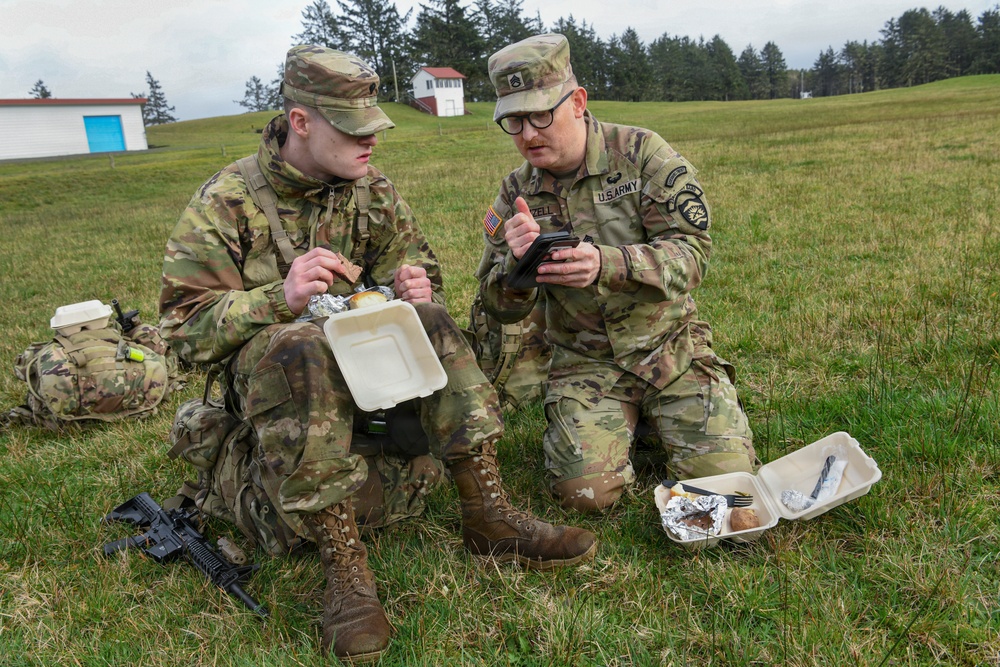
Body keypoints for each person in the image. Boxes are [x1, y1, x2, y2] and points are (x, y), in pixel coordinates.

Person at [159, 45, 596, 663]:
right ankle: (345, 567)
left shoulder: (373, 191)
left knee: (431, 319)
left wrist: (416, 287)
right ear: (301, 121)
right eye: (352, 128)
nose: (370, 141)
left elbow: (419, 270)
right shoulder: (226, 202)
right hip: (278, 377)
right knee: (301, 342)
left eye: (373, 126)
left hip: (370, 367)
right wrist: (277, 299)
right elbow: (182, 331)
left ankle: (489, 513)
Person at [477, 34, 758, 514]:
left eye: (540, 115)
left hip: (669, 351)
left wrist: (607, 263)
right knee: (584, 496)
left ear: (577, 102)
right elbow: (496, 308)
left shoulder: (642, 155)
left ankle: (661, 417)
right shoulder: (515, 194)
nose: (527, 134)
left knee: (727, 488)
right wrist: (516, 269)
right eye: (514, 121)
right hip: (586, 365)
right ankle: (630, 422)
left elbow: (693, 254)